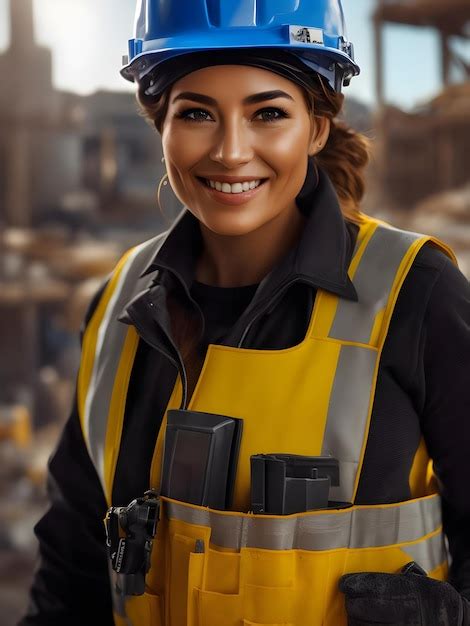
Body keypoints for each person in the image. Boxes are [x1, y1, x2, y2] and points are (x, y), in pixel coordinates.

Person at [19, 1, 470, 625]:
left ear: (316, 128)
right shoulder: (121, 300)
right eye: (197, 113)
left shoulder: (416, 295)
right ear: (161, 126)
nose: (231, 151)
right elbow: (73, 563)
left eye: (268, 114)